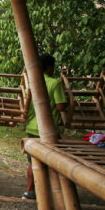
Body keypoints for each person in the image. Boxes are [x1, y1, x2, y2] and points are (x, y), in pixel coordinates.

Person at [23, 53, 67, 199]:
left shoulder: (32, 82)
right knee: (51, 162)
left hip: (31, 127)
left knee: (33, 161)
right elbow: (60, 107)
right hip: (48, 129)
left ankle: (30, 191)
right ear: (49, 67)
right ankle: (50, 193)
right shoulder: (55, 83)